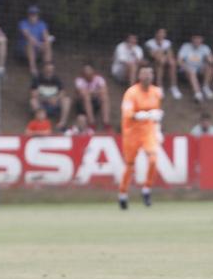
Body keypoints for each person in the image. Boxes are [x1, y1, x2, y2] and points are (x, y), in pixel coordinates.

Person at [117, 64, 165, 209]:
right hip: (131, 132)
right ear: (139, 76)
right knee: (130, 165)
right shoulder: (131, 93)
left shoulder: (156, 92)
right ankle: (123, 193)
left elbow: (157, 112)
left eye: (150, 74)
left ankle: (146, 189)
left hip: (148, 131)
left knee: (153, 159)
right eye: (144, 74)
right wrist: (141, 115)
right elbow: (127, 113)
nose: (147, 77)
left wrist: (158, 129)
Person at [177, 32, 213, 102]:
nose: (197, 40)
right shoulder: (186, 46)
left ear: (202, 39)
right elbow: (179, 61)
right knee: (191, 71)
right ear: (192, 39)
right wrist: (186, 68)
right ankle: (197, 93)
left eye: (199, 38)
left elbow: (211, 60)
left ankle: (205, 87)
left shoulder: (205, 47)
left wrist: (209, 59)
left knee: (209, 67)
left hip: (199, 69)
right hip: (186, 70)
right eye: (195, 38)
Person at [17, 5, 54, 74]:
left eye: (35, 14)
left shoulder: (41, 24)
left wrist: (45, 43)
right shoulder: (23, 23)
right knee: (30, 43)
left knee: (48, 44)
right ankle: (33, 69)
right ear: (28, 15)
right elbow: (28, 36)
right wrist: (39, 45)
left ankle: (47, 67)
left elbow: (46, 36)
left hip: (38, 47)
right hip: (24, 48)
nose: (33, 16)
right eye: (32, 14)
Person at [74, 63, 110, 129]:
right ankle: (92, 122)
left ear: (93, 71)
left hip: (95, 101)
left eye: (89, 70)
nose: (88, 72)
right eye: (86, 71)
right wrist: (96, 92)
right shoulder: (79, 80)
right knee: (86, 97)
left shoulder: (99, 79)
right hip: (82, 104)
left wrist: (91, 92)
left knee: (104, 97)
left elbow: (104, 91)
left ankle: (106, 122)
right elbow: (82, 93)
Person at [146, 28, 177, 92]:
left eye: (163, 33)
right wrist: (163, 55)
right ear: (156, 33)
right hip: (151, 63)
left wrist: (163, 56)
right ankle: (159, 86)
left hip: (165, 61)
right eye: (160, 33)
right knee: (161, 62)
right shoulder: (149, 43)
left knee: (172, 63)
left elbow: (170, 55)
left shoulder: (167, 42)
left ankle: (173, 86)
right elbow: (153, 55)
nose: (162, 34)